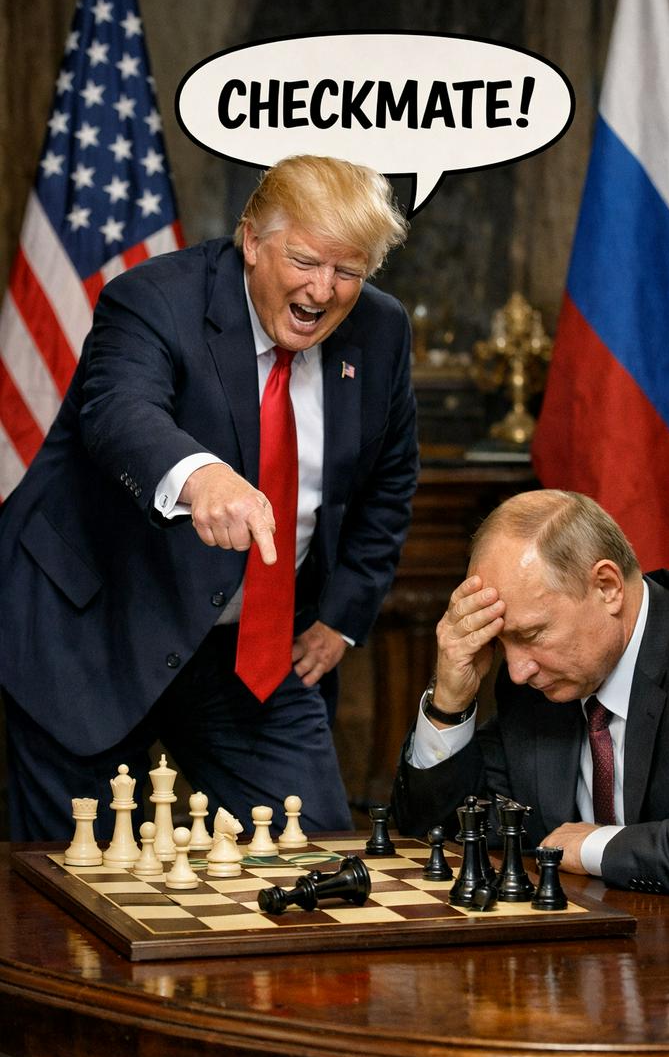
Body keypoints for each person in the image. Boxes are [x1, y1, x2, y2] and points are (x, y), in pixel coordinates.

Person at [0, 154, 419, 841]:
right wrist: (200, 476)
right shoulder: (154, 298)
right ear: (252, 240)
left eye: (348, 271)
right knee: (84, 877)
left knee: (314, 857)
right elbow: (117, 413)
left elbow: (390, 480)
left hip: (253, 653)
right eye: (305, 261)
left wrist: (342, 617)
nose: (323, 290)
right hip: (93, 628)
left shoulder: (381, 329)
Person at [392, 489, 669, 900]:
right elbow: (440, 836)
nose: (517, 671)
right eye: (501, 643)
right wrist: (449, 703)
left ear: (607, 587)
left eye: (531, 635)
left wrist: (595, 847)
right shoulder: (535, 687)